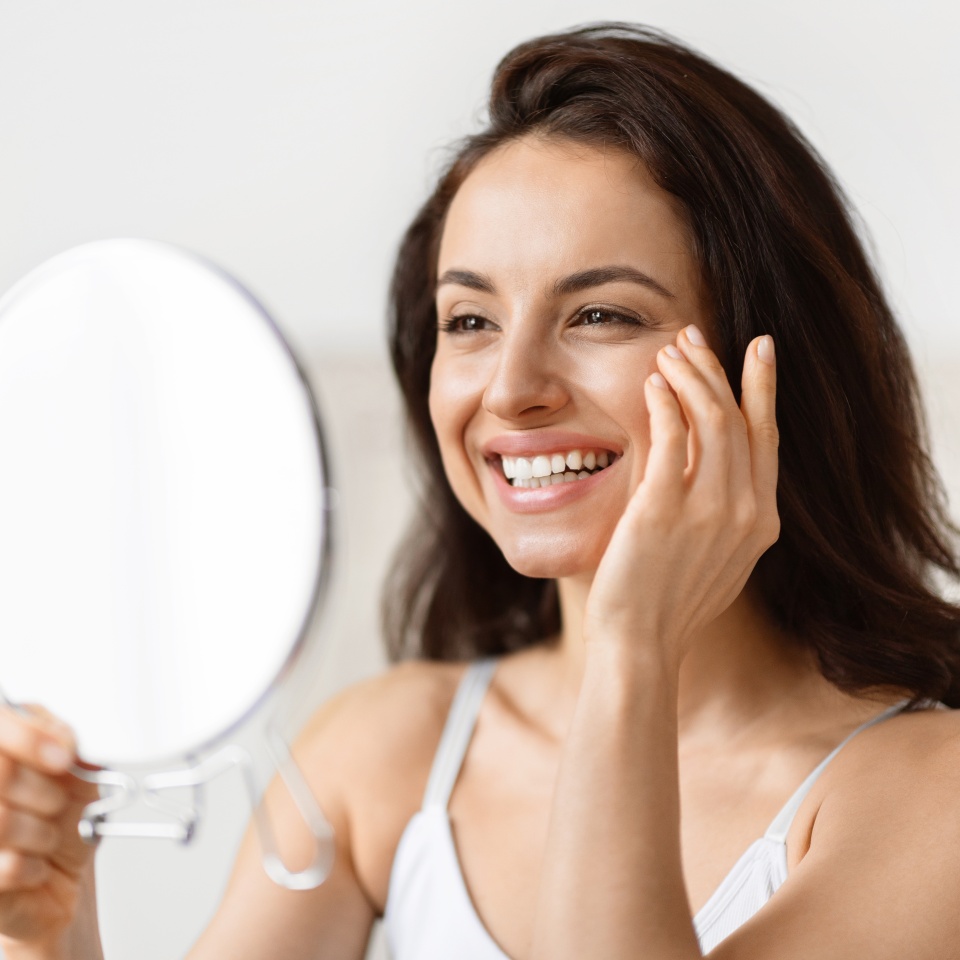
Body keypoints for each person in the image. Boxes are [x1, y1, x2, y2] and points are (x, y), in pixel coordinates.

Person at [2, 22, 959, 960]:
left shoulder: (929, 792)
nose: (510, 390)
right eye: (468, 321)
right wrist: (49, 934)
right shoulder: (386, 754)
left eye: (600, 314)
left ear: (771, 368)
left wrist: (631, 647)